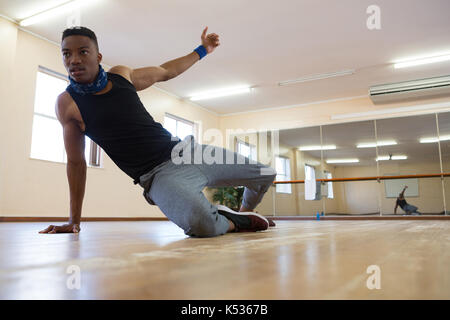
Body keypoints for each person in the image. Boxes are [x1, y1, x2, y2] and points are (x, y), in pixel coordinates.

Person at [39, 26, 277, 237]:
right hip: (157, 176)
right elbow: (76, 163)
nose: (74, 60)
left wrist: (202, 49)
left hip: (187, 151)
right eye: (66, 53)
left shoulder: (121, 75)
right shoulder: (68, 104)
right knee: (203, 226)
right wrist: (74, 221)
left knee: (265, 174)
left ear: (98, 56)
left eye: (83, 51)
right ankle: (238, 222)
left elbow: (166, 71)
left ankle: (248, 214)